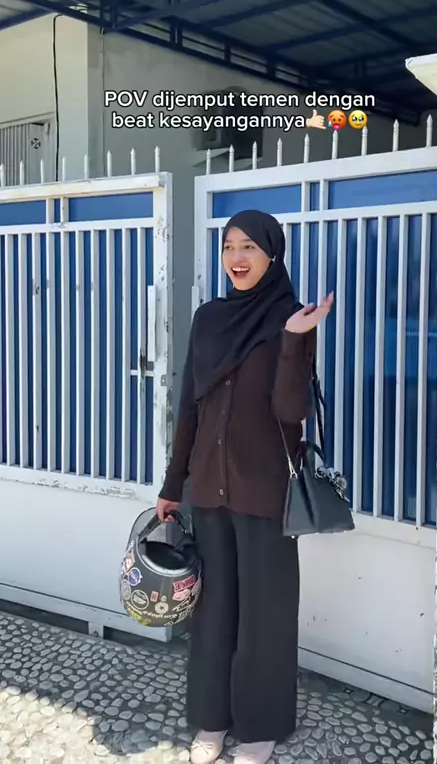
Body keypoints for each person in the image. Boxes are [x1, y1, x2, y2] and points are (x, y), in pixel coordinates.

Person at [156, 210, 333, 764]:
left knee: (265, 616)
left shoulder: (290, 318)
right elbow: (190, 405)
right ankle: (212, 720)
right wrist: (173, 484)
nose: (237, 257)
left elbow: (292, 411)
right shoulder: (209, 319)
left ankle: (260, 725)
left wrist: (294, 342)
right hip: (208, 489)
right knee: (213, 614)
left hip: (266, 494)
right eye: (230, 246)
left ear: (272, 255)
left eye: (250, 247)